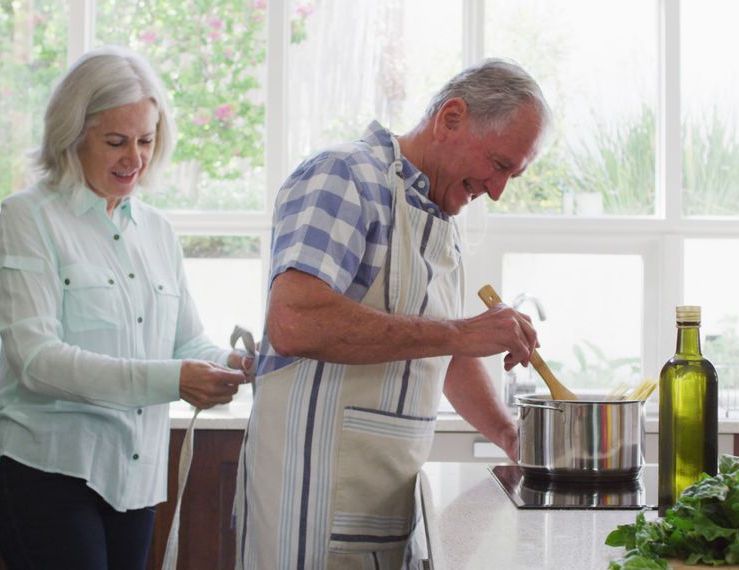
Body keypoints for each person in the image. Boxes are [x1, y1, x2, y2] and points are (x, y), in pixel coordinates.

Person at [234, 58, 551, 569]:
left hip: (389, 506)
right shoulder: (344, 177)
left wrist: (510, 436)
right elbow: (295, 320)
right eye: (498, 164)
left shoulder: (442, 221)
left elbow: (442, 350)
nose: (497, 189)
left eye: (513, 174)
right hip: (309, 504)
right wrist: (462, 331)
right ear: (450, 118)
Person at [0, 46, 252, 570]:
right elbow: (37, 362)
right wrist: (173, 379)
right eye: (115, 141)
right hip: (45, 465)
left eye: (146, 140)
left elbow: (186, 342)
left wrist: (233, 364)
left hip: (135, 477)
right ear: (72, 135)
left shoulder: (157, 231)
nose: (135, 158)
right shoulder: (28, 218)